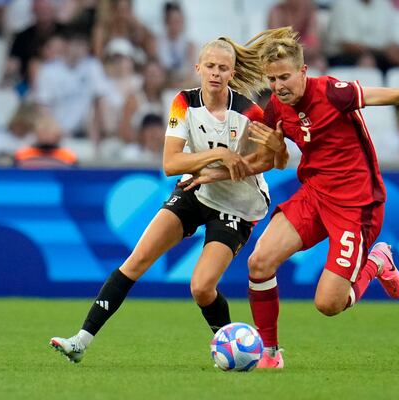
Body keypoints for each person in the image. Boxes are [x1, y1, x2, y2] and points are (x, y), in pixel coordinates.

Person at [232, 27, 399, 368]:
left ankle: (376, 262)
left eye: (284, 77)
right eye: (272, 80)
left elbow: (398, 95)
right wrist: (270, 151)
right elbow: (276, 161)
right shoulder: (276, 107)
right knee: (259, 262)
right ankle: (270, 355)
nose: (278, 86)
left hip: (355, 204)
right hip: (314, 195)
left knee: (328, 304)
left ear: (303, 71)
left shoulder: (334, 93)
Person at [49, 34, 288, 363]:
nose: (215, 73)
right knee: (136, 261)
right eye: (210, 66)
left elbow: (269, 161)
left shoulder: (250, 113)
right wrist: (217, 157)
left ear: (232, 74)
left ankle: (241, 349)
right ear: (198, 68)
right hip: (195, 189)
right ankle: (80, 341)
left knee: (202, 288)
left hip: (238, 205)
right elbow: (170, 163)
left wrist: (261, 156)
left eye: (223, 68)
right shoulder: (183, 102)